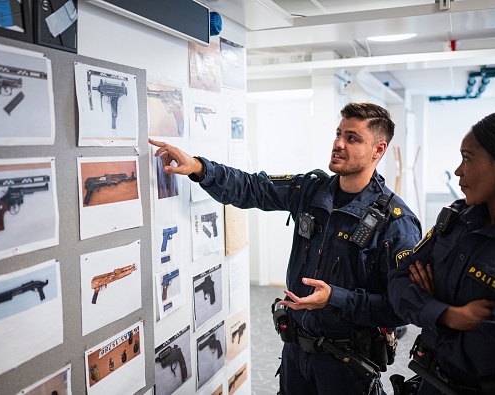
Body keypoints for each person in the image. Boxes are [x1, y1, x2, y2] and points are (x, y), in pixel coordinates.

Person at [151, 102, 422, 395]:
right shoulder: (311, 191)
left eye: (352, 138)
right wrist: (201, 169)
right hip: (296, 353)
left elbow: (402, 311)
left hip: (347, 367)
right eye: (338, 133)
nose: (338, 144)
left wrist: (336, 299)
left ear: (378, 150)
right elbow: (253, 187)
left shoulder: (396, 223)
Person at [388, 110, 495, 395]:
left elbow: (494, 354)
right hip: (430, 381)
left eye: (467, 158)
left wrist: (427, 318)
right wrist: (447, 315)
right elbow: (398, 280)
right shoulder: (457, 218)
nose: (458, 171)